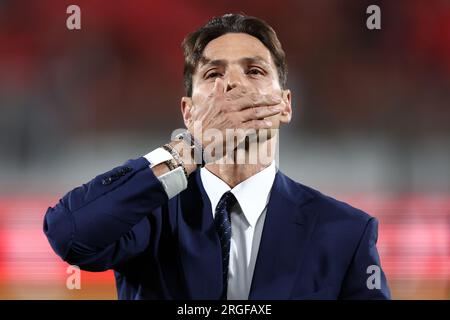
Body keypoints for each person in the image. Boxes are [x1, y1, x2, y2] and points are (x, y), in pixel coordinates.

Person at [43, 13, 391, 300]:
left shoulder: (346, 233)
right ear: (188, 112)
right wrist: (189, 150)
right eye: (213, 73)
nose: (233, 85)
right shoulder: (148, 213)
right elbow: (68, 233)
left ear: (285, 105)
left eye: (254, 71)